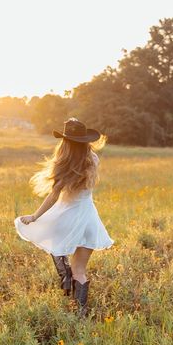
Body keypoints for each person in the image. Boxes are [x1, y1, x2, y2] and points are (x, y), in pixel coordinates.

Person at [14, 117, 114, 318]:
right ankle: (80, 314)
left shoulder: (65, 162)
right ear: (86, 141)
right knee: (80, 270)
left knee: (53, 242)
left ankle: (65, 277)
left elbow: (53, 196)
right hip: (88, 220)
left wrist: (35, 216)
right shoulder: (92, 159)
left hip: (67, 218)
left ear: (65, 142)